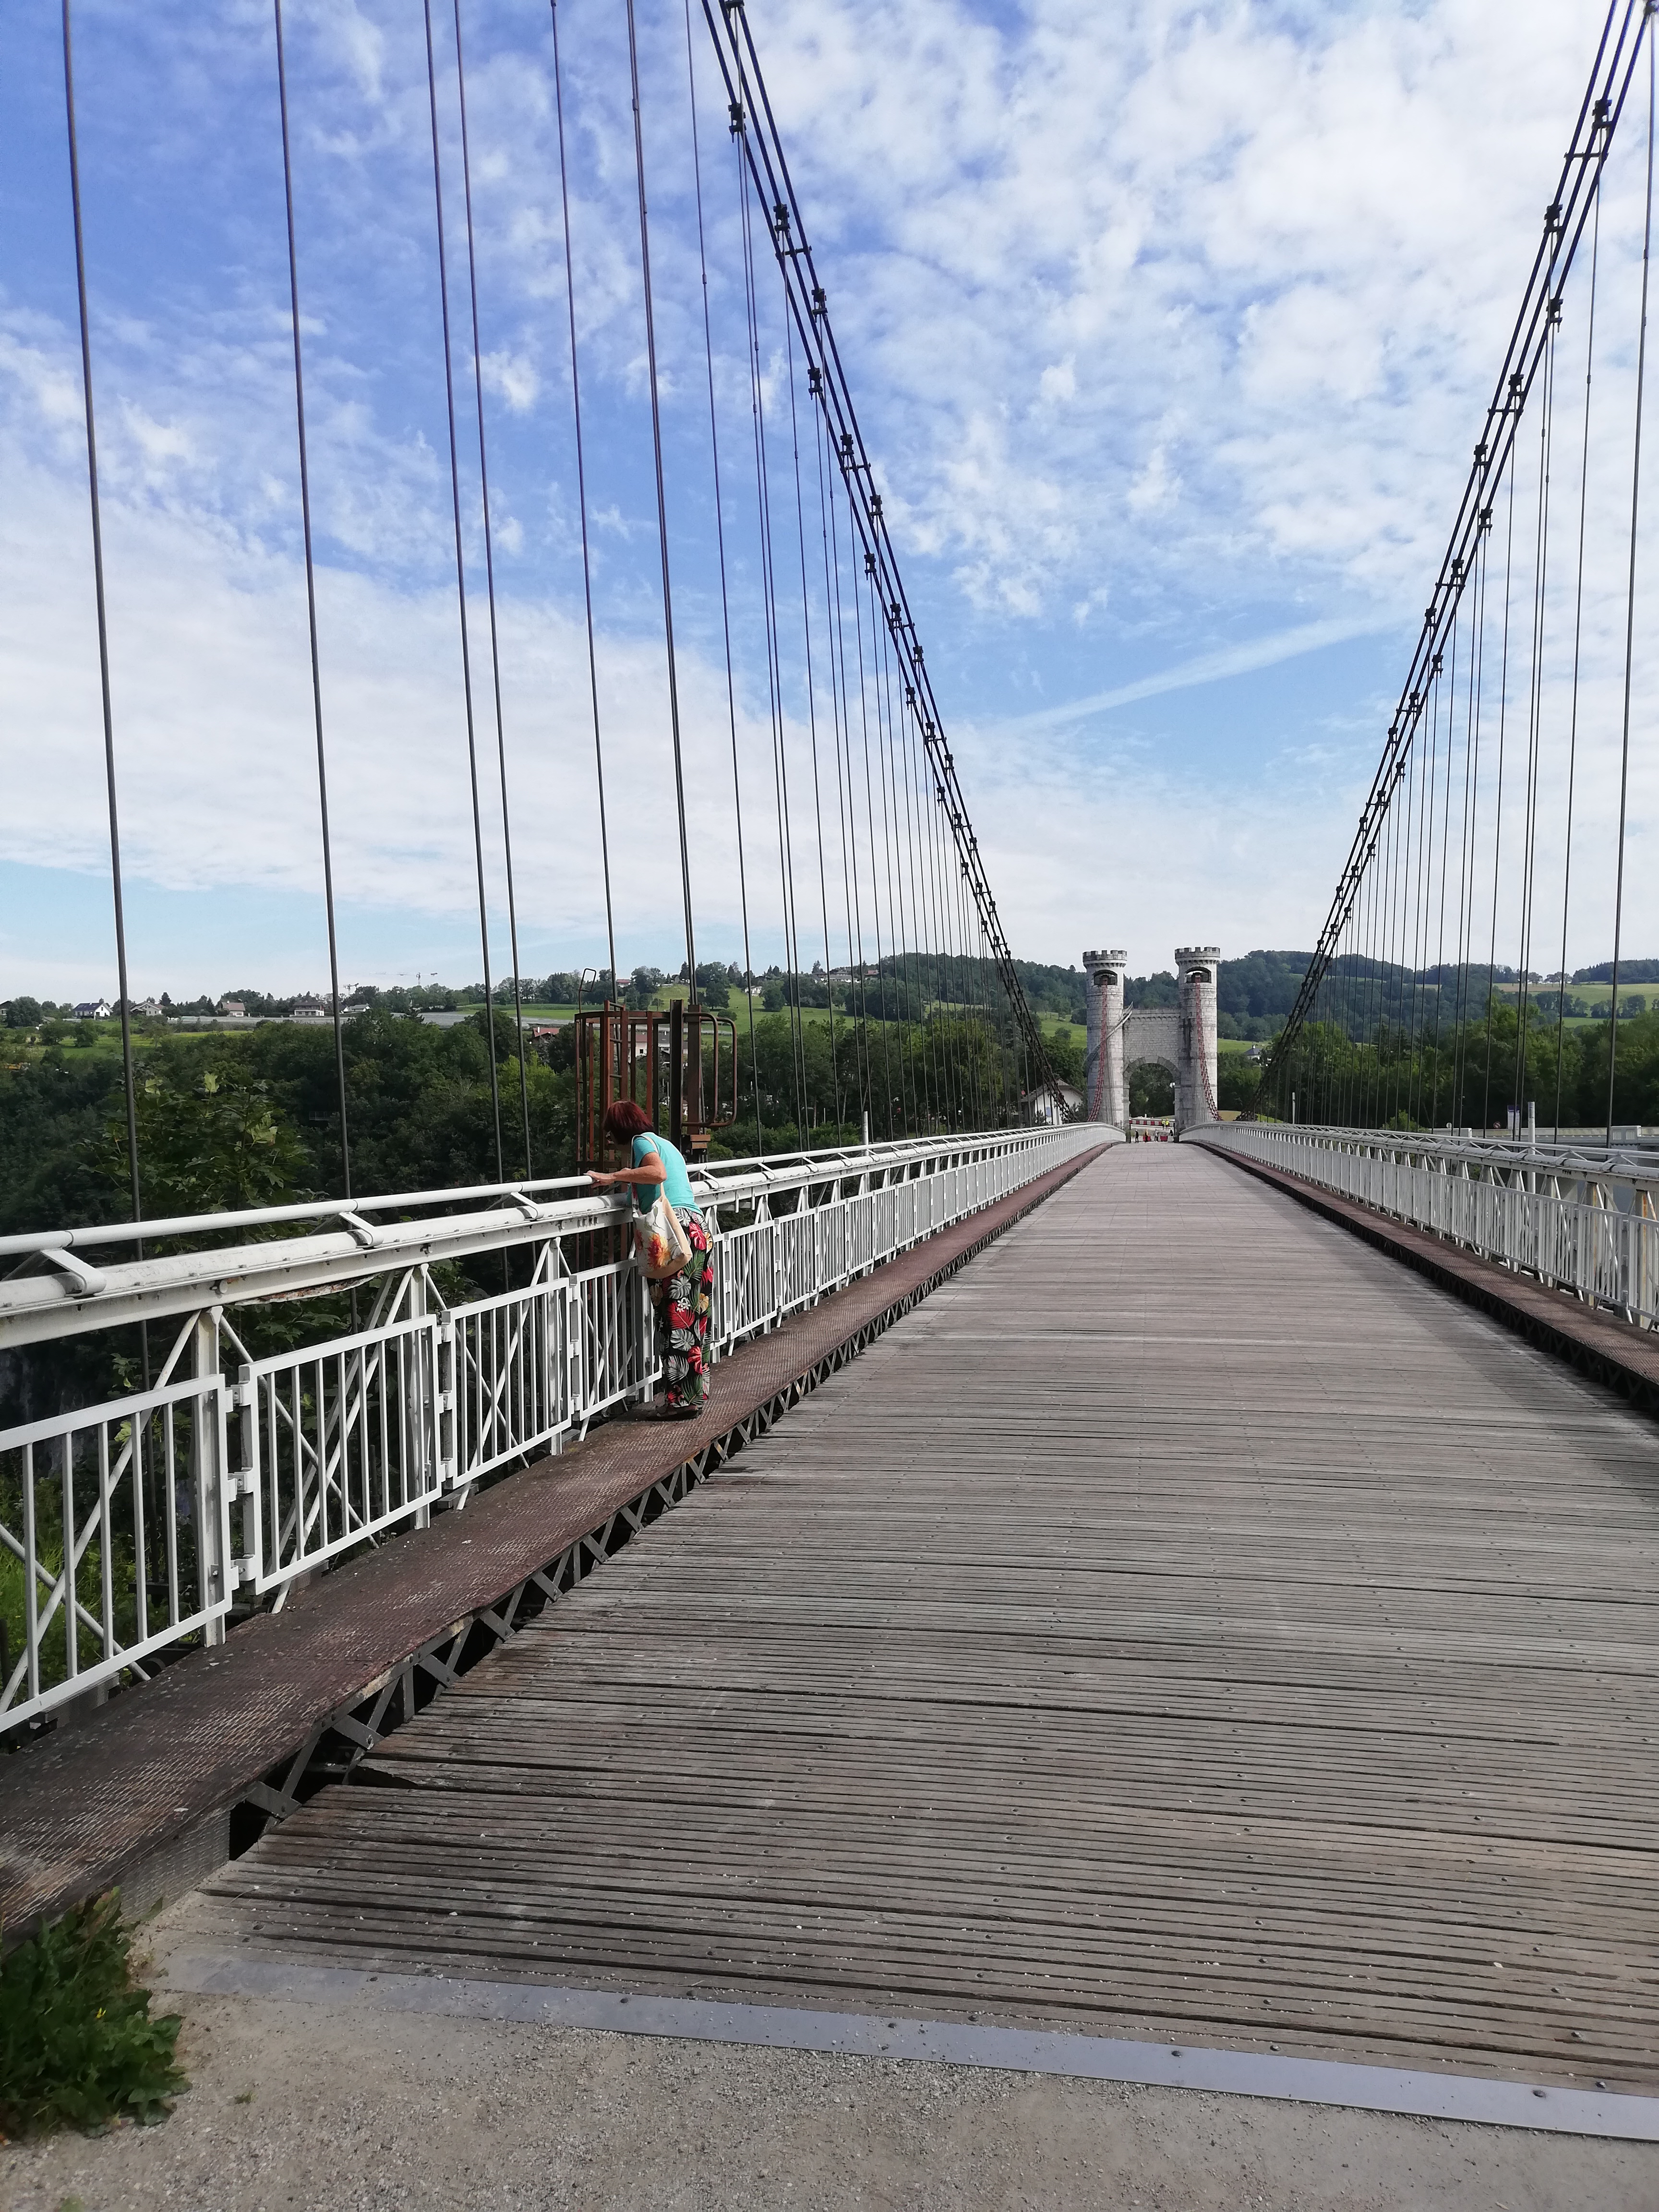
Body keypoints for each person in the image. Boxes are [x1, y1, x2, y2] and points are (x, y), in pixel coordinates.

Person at [588, 1099, 714, 1420]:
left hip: (672, 1232)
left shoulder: (640, 1142)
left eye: (610, 1133)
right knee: (695, 1313)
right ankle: (694, 1395)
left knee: (674, 1317)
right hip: (696, 1229)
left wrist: (616, 1175)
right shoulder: (666, 1144)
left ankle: (679, 1402)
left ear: (620, 1129)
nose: (610, 1140)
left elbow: (657, 1174)